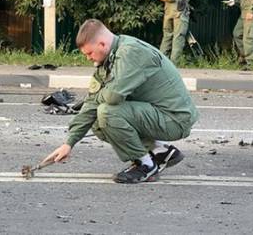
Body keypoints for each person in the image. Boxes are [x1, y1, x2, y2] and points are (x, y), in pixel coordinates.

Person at [45, 19, 199, 183]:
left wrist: (98, 96)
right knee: (97, 118)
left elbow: (113, 96)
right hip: (157, 113)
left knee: (107, 112)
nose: (88, 58)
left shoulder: (130, 52)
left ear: (102, 44)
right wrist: (69, 143)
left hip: (175, 119)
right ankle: (159, 151)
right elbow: (92, 102)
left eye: (89, 53)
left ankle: (145, 165)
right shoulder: (108, 59)